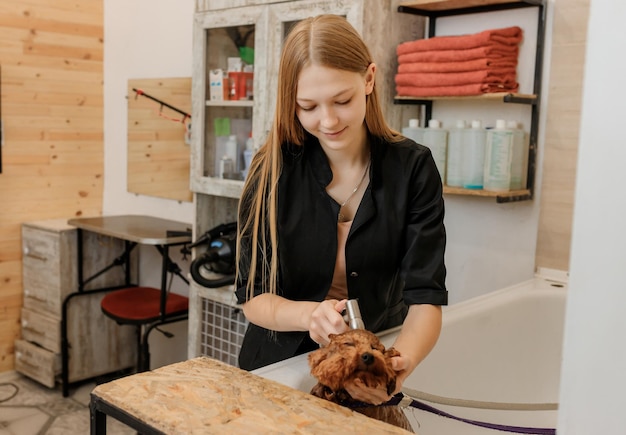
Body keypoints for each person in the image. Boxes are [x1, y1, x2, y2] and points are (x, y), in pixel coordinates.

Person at [235, 14, 447, 405]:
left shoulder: (413, 169)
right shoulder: (272, 169)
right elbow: (252, 298)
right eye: (308, 106)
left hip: (369, 368)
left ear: (368, 80)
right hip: (275, 368)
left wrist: (403, 362)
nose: (328, 121)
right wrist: (309, 315)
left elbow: (426, 298)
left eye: (342, 101)